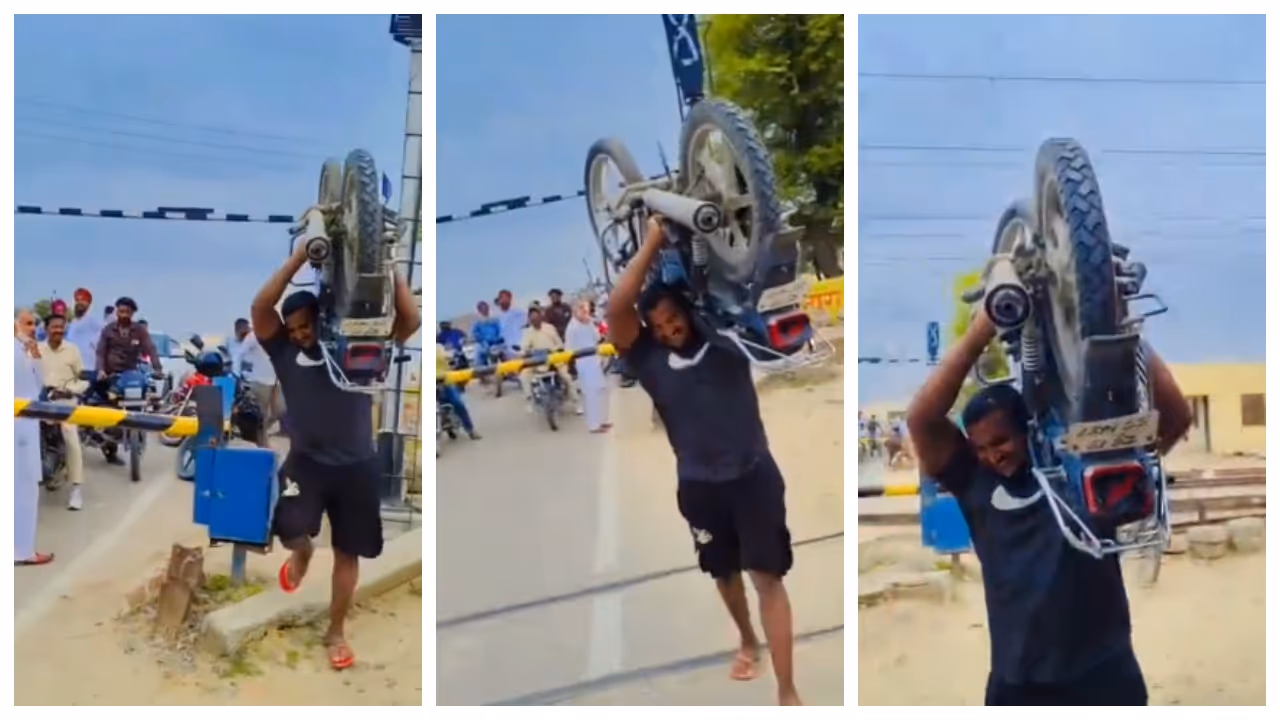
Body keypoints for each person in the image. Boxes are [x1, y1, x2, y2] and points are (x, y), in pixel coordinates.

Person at [904, 307, 1192, 706]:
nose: (992, 456)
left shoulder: (1082, 472)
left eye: (1001, 441)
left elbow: (1175, 416)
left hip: (1104, 674)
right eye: (981, 447)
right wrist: (981, 330)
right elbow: (921, 418)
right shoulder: (974, 483)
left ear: (1028, 429)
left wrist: (1121, 329)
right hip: (1018, 683)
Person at [605, 215, 802, 705]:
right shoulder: (647, 360)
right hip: (699, 487)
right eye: (661, 326)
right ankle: (746, 637)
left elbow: (742, 295)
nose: (671, 330)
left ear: (690, 313)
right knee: (724, 573)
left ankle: (786, 689)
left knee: (768, 579)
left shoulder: (725, 342)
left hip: (754, 477)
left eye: (676, 320)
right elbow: (616, 307)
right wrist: (652, 239)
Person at [250, 240, 421, 671]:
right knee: (288, 528)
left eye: (305, 326)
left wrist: (388, 264)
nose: (299, 334)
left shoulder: (354, 351)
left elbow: (410, 319)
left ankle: (336, 632)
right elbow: (260, 306)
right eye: (292, 329)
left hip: (357, 466)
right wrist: (299, 258)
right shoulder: (285, 353)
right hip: (306, 463)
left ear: (322, 321)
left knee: (349, 553)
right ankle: (303, 554)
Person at [95, 297, 164, 465]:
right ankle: (109, 449)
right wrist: (101, 370)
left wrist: (158, 368)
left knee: (143, 395)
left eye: (127, 311)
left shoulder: (140, 330)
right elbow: (100, 352)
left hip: (130, 374)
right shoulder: (108, 330)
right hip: (111, 376)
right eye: (121, 311)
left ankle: (138, 430)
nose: (124, 314)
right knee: (107, 407)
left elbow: (150, 349)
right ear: (117, 311)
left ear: (132, 313)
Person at [15, 308, 54, 565]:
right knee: (25, 488)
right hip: (19, 429)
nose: (33, 328)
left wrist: (36, 357)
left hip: (25, 424)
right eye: (27, 323)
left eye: (34, 324)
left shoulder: (23, 350)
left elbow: (39, 384)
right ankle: (23, 552)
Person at [39, 314, 90, 510]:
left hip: (65, 402)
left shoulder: (72, 350)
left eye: (61, 327)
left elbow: (82, 380)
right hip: (40, 402)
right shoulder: (37, 349)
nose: (58, 330)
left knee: (71, 440)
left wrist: (71, 390)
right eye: (54, 327)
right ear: (46, 328)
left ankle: (76, 489)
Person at [518, 305, 578, 413]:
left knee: (566, 377)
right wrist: (524, 353)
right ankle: (530, 400)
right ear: (529, 320)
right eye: (532, 318)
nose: (534, 320)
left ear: (541, 317)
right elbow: (524, 348)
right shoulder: (527, 332)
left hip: (553, 358)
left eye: (536, 317)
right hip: (536, 361)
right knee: (523, 376)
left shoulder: (549, 328)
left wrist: (553, 350)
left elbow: (559, 344)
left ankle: (575, 403)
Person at [564, 299, 611, 433]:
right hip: (583, 364)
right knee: (590, 394)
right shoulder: (571, 327)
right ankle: (594, 426)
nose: (584, 311)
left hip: (595, 361)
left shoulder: (589, 322)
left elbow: (597, 338)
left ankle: (602, 421)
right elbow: (568, 349)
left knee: (601, 390)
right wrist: (571, 366)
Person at [231, 318, 279, 447]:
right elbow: (238, 355)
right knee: (261, 416)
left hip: (274, 381)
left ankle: (261, 438)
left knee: (277, 412)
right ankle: (263, 446)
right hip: (259, 382)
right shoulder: (253, 336)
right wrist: (235, 374)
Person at [435, 344, 480, 440]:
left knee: (457, 403)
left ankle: (470, 430)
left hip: (445, 380)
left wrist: (451, 357)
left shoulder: (438, 347)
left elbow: (449, 356)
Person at [470, 300, 504, 373]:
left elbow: (501, 330)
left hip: (496, 343)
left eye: (485, 308)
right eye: (482, 308)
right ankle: (481, 374)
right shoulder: (478, 322)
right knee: (478, 354)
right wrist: (480, 340)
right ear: (479, 310)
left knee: (505, 352)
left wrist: (498, 339)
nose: (484, 310)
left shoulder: (495, 320)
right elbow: (474, 334)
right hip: (483, 345)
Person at [494, 289, 527, 360]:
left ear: (510, 299)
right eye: (502, 297)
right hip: (506, 353)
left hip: (520, 349)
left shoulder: (520, 313)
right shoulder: (497, 318)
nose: (504, 300)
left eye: (506, 297)